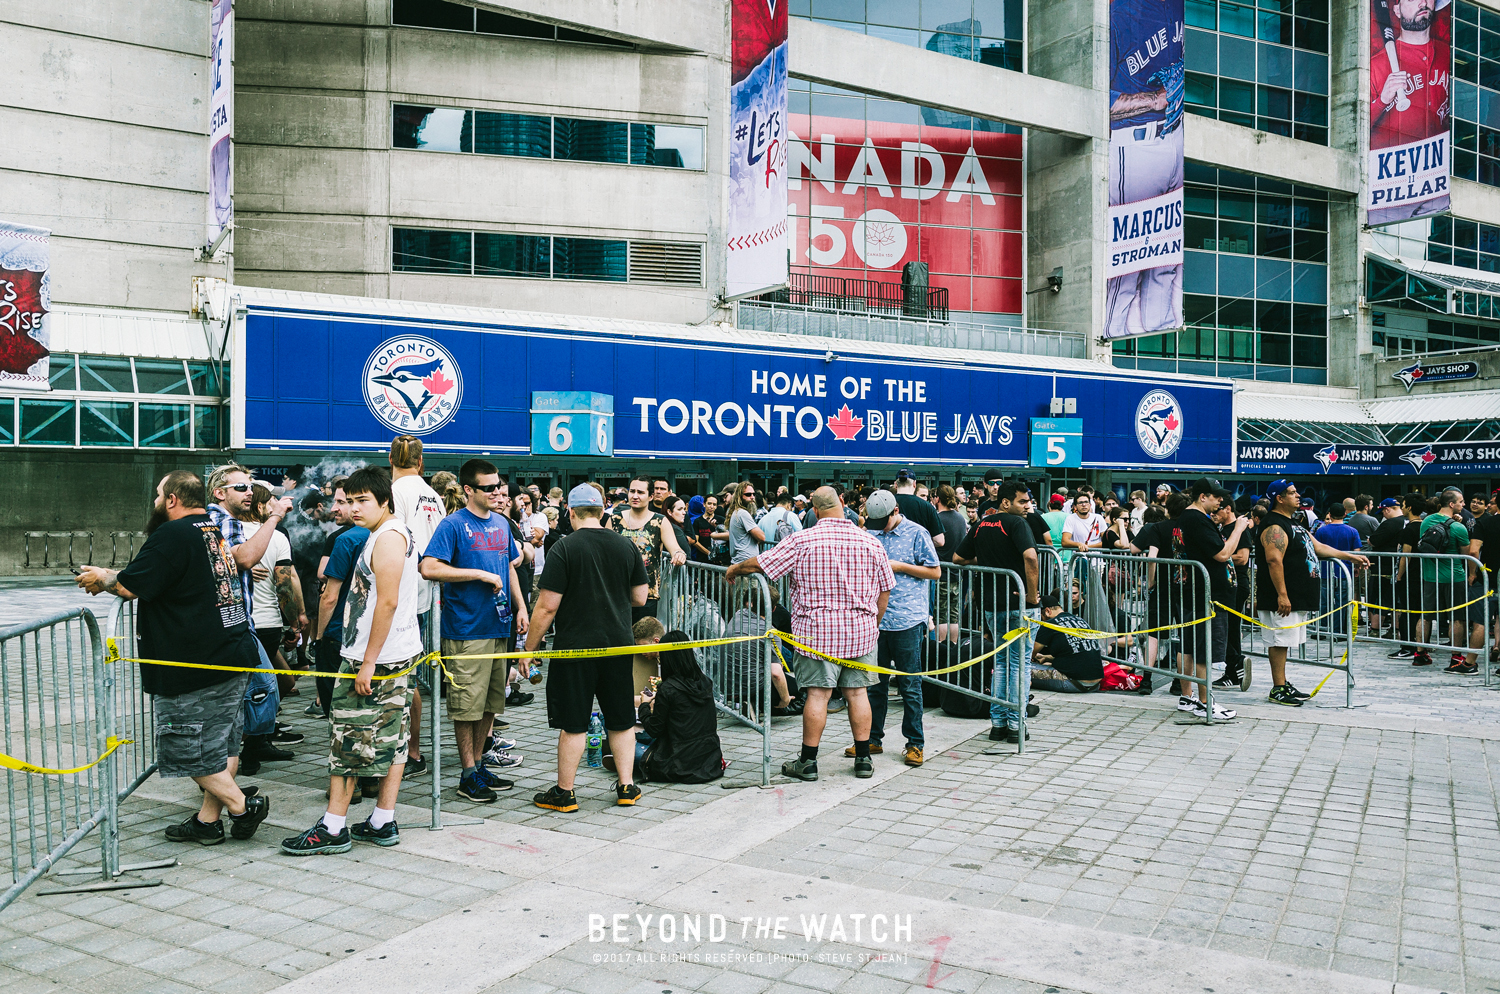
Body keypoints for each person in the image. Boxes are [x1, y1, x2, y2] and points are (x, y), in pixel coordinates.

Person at [76, 471, 271, 845]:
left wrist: (103, 576)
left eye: (157, 496)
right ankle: (207, 822)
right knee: (222, 746)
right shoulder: (208, 528)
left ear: (171, 500)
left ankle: (244, 806)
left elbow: (130, 585)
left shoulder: (172, 533)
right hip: (230, 652)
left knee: (187, 750)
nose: (154, 503)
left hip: (194, 665)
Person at [282, 467, 422, 854]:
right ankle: (381, 821)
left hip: (377, 658)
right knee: (392, 740)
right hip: (388, 654)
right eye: (351, 500)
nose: (355, 508)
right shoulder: (388, 533)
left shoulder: (390, 537)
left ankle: (333, 827)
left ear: (385, 502)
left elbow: (389, 601)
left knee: (346, 741)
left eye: (364, 501)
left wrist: (367, 662)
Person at [727, 487, 894, 781]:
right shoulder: (871, 542)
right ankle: (864, 759)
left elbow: (761, 564)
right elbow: (884, 591)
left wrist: (735, 569)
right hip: (861, 632)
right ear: (843, 504)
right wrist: (873, 624)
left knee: (818, 694)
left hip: (818, 632)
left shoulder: (803, 539)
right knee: (858, 694)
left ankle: (808, 762)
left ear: (814, 511)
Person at [520, 484, 649, 812]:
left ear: (571, 512)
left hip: (575, 648)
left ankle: (565, 792)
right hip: (618, 646)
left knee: (574, 722)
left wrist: (529, 649)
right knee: (620, 719)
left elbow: (547, 606)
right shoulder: (626, 546)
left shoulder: (564, 548)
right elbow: (640, 598)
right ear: (604, 511)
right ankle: (626, 786)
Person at [420, 459, 530, 802]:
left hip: (499, 625)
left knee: (490, 704)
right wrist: (478, 575)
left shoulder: (499, 522)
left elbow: (509, 565)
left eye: (499, 485)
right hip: (466, 630)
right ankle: (467, 774)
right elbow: (428, 566)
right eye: (489, 487)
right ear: (469, 490)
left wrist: (521, 605)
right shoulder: (453, 525)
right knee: (466, 705)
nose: (498, 492)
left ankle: (480, 764)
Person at [205, 465, 293, 770]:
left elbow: (236, 560)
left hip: (242, 623)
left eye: (250, 487)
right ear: (219, 493)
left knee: (255, 689)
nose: (249, 492)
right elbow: (243, 557)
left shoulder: (219, 521)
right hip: (234, 625)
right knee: (262, 688)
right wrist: (275, 517)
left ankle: (244, 752)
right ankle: (240, 755)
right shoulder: (224, 520)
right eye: (241, 487)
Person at [1257, 480, 1370, 707]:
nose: (1298, 496)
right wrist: (1282, 594)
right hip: (1282, 596)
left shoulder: (1294, 523)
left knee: (1284, 641)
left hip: (1297, 594)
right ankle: (1278, 687)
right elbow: (1273, 560)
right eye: (1291, 493)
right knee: (1280, 640)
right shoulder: (1275, 526)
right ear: (1279, 498)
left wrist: (1350, 556)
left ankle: (1282, 683)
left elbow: (1317, 547)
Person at [953, 479, 1040, 743]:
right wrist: (1032, 595)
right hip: (1017, 604)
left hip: (992, 605)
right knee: (1019, 664)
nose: (1028, 506)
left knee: (1002, 663)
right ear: (1005, 502)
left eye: (1028, 501)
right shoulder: (1016, 523)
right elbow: (1031, 557)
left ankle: (999, 724)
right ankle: (1015, 725)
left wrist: (989, 559)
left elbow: (958, 558)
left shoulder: (981, 525)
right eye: (1022, 501)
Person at [858, 490, 939, 767]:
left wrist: (900, 566)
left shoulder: (917, 533)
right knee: (874, 685)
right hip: (877, 619)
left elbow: (935, 571)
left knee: (910, 685)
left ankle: (915, 743)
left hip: (907, 618)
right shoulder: (870, 532)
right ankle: (872, 738)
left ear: (895, 511)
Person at [388, 435, 442, 778]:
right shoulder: (432, 494)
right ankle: (413, 750)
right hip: (429, 592)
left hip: (405, 591)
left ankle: (411, 752)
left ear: (390, 460)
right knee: (414, 674)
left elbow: (398, 541)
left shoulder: (396, 492)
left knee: (404, 674)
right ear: (421, 462)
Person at [630, 632, 724, 784]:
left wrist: (645, 705)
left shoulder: (668, 689)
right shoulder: (705, 682)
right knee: (640, 737)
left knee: (625, 745)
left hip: (678, 765)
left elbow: (654, 729)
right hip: (709, 760)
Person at [316, 482, 370, 724]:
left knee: (337, 707)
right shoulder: (395, 533)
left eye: (341, 502)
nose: (334, 508)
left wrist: (319, 637)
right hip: (374, 635)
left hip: (340, 633)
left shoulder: (347, 539)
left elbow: (329, 596)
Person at [1418, 487, 1484, 674]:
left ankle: (1420, 653)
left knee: (1425, 615)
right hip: (1454, 577)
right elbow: (1466, 556)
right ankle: (1456, 655)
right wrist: (1472, 574)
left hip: (1430, 575)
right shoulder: (1458, 527)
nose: (1464, 505)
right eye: (1461, 502)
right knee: (1457, 618)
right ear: (1451, 504)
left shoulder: (1426, 522)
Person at [609, 477, 686, 619]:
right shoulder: (614, 519)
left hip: (647, 594)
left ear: (650, 496)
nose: (635, 496)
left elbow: (675, 548)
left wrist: (679, 554)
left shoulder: (659, 521)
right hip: (615, 592)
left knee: (643, 639)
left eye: (640, 492)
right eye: (632, 491)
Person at [1029, 593, 1105, 692]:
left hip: (1072, 682)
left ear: (1047, 611)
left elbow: (1029, 654)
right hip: (1095, 684)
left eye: (1040, 617)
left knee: (1016, 668)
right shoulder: (1080, 621)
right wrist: (1045, 657)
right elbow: (1075, 652)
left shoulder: (1050, 624)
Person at [1390, 492, 1432, 663]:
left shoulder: (1410, 529)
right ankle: (1421, 645)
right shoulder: (1426, 526)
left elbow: (1405, 556)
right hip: (1425, 574)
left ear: (1409, 507)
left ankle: (1408, 646)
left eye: (1403, 504)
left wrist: (1399, 576)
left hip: (1411, 576)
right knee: (1421, 611)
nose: (1402, 507)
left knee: (1407, 611)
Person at [934, 485, 969, 646]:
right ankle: (953, 649)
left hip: (940, 573)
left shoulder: (938, 519)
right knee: (953, 616)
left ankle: (940, 648)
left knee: (940, 615)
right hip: (956, 573)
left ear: (937, 499)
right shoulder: (960, 518)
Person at [1368, 497, 1407, 637]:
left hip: (1383, 568)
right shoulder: (1407, 521)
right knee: (1398, 600)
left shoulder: (1390, 524)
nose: (1383, 515)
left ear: (1387, 509)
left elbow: (1373, 540)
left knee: (1380, 598)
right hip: (1401, 567)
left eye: (1383, 512)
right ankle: (1395, 629)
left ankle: (1375, 629)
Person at [892, 470, 945, 550]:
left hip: (889, 558)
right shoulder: (927, 506)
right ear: (914, 484)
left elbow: (868, 532)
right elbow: (939, 541)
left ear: (895, 484)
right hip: (916, 558)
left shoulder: (886, 504)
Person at [721, 481, 767, 564]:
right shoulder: (742, 513)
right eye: (748, 494)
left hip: (742, 561)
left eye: (753, 494)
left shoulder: (737, 512)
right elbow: (762, 537)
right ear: (739, 497)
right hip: (746, 562)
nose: (752, 497)